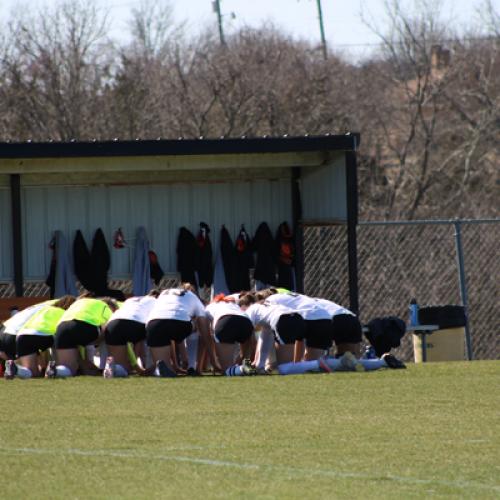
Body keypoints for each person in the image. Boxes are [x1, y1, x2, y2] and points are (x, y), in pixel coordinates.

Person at [145, 285, 216, 378]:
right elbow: (205, 332)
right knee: (198, 325)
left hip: (154, 324)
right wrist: (214, 361)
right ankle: (194, 366)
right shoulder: (192, 296)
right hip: (180, 323)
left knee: (164, 366)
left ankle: (162, 369)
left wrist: (176, 364)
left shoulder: (164, 293)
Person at [4, 295, 76, 379]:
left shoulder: (45, 309)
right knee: (70, 367)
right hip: (43, 335)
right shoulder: (66, 313)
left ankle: (16, 369)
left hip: (22, 336)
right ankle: (55, 369)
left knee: (32, 372)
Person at [46, 296, 118, 378]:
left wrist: (84, 361)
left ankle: (56, 370)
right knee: (108, 333)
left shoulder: (81, 303)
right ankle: (104, 367)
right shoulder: (105, 307)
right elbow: (110, 328)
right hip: (85, 325)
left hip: (62, 328)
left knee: (69, 369)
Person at [239, 292, 306, 369]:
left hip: (283, 319)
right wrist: (260, 365)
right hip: (298, 318)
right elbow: (265, 340)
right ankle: (314, 363)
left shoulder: (251, 310)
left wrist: (242, 361)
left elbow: (248, 340)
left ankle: (317, 363)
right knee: (292, 366)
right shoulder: (265, 314)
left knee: (284, 368)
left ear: (243, 307)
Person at [102, 290, 160, 378]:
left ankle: (113, 367)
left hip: (113, 324)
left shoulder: (131, 300)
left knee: (122, 369)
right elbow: (140, 341)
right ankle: (155, 369)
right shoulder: (157, 302)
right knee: (154, 338)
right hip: (136, 323)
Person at [264, 290, 335, 361]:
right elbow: (299, 338)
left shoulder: (269, 300)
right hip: (326, 319)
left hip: (308, 318)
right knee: (311, 365)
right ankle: (336, 362)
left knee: (284, 367)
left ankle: (330, 362)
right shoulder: (296, 298)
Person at [205, 294, 257, 376]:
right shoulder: (234, 305)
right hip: (246, 322)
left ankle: (242, 368)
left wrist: (213, 360)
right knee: (242, 358)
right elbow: (252, 340)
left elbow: (207, 335)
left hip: (225, 322)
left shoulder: (209, 307)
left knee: (226, 370)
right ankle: (246, 366)